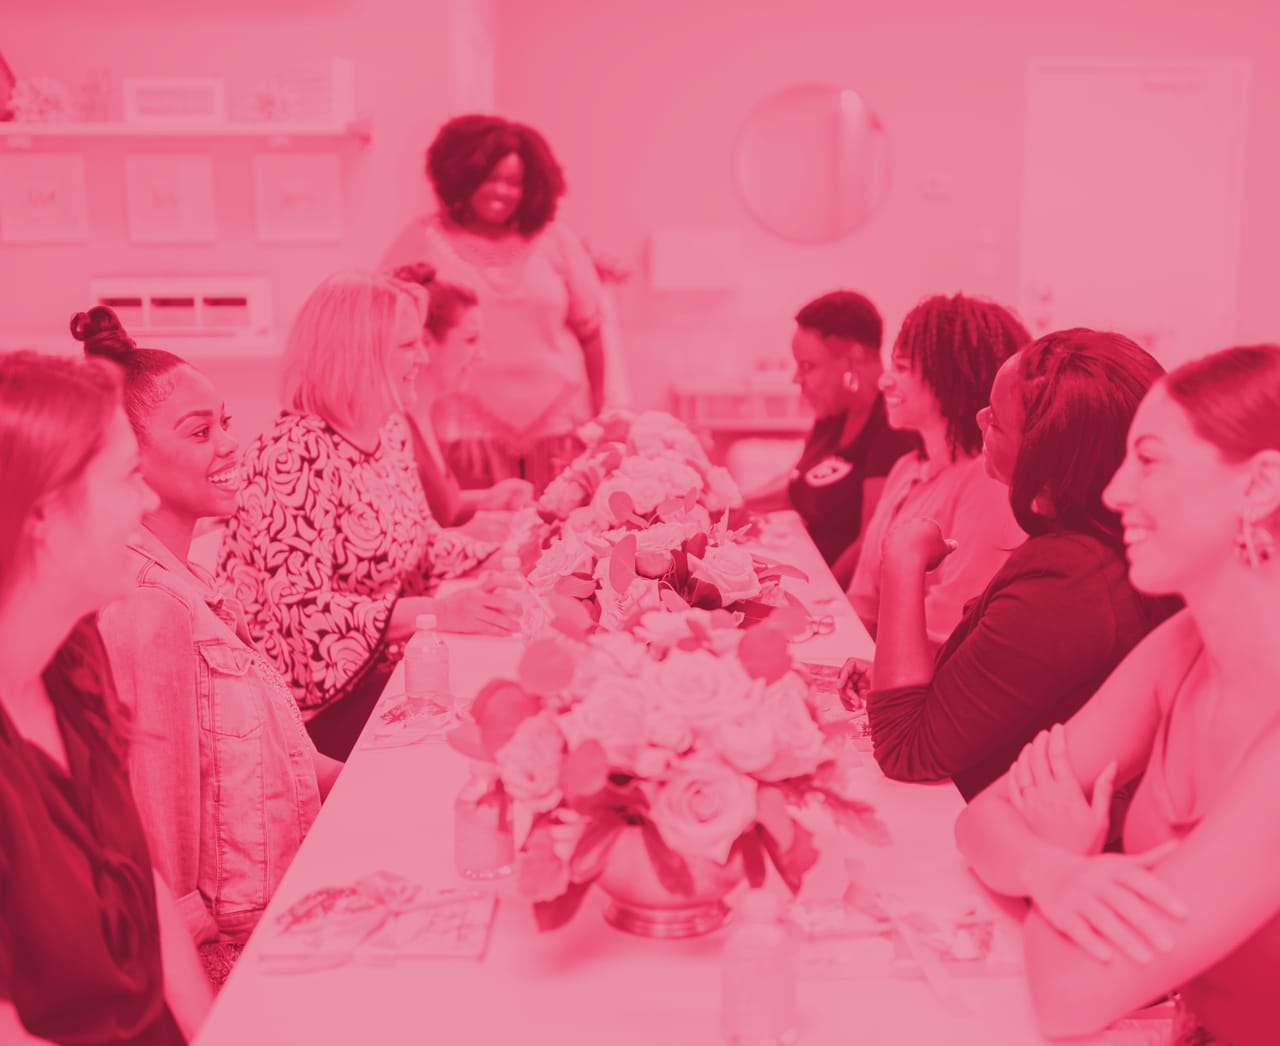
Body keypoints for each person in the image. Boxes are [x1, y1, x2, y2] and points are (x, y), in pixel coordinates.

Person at [955, 344, 1280, 1045]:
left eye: (1151, 460)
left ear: (1258, 488)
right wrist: (1053, 869)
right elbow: (983, 818)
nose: (1113, 492)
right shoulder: (1184, 647)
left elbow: (1068, 998)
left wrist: (1067, 858)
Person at [73, 307, 339, 989]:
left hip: (286, 907)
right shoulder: (148, 605)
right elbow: (165, 875)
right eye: (200, 431)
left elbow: (296, 766)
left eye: (225, 422)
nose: (228, 444)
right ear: (129, 459)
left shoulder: (195, 581)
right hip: (229, 963)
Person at [841, 329, 1180, 800]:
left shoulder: (1070, 578)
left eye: (997, 422)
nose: (980, 417)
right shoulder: (1092, 554)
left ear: (1049, 460)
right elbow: (1023, 669)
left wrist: (902, 559)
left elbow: (906, 750)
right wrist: (908, 669)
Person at [218, 272, 520, 761]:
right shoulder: (292, 454)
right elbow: (302, 615)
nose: (422, 358)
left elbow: (421, 545)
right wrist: (440, 612)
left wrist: (509, 558)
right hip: (309, 711)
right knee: (473, 740)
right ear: (358, 355)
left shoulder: (388, 432)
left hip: (380, 667)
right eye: (407, 345)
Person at [0, 351, 212, 1045]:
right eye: (127, 477)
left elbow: (139, 883)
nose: (149, 500)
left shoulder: (73, 658)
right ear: (42, 513)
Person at [381, 114, 606, 494]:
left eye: (514, 182)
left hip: (560, 424)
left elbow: (591, 334)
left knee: (563, 540)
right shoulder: (422, 239)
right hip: (461, 427)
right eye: (488, 178)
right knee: (481, 537)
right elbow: (382, 323)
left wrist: (599, 416)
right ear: (460, 176)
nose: (501, 191)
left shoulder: (556, 240)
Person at [847, 293, 1029, 645]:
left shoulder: (986, 484)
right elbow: (863, 602)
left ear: (951, 376)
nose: (884, 382)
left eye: (900, 368)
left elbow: (947, 628)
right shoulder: (906, 469)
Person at [744, 291, 918, 587]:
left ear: (852, 359)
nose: (797, 379)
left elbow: (870, 540)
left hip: (836, 592)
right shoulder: (834, 414)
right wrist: (733, 504)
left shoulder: (890, 426)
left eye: (807, 366)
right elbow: (799, 486)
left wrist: (822, 595)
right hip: (807, 568)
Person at [390, 261, 533, 528]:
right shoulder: (395, 428)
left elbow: (437, 509)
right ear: (426, 342)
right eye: (470, 340)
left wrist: (486, 500)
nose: (482, 355)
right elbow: (411, 536)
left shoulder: (425, 415)